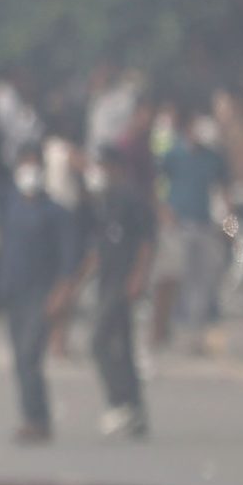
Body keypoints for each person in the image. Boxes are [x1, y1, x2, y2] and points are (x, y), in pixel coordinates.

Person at [62, 145, 156, 439]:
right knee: (123, 345)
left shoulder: (131, 198)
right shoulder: (102, 201)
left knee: (99, 341)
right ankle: (135, 411)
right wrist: (78, 281)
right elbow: (98, 247)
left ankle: (119, 402)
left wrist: (139, 276)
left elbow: (147, 241)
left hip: (123, 280)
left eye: (103, 166)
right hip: (106, 278)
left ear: (116, 167)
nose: (99, 172)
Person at [0, 147, 76, 445]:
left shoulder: (55, 212)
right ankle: (32, 416)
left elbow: (68, 259)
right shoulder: (10, 206)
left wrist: (61, 293)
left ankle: (37, 419)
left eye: (34, 165)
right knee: (20, 358)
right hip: (14, 290)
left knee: (30, 355)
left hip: (41, 291)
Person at [154, 108, 230, 348]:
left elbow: (225, 194)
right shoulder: (173, 155)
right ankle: (173, 326)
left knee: (204, 277)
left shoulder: (214, 158)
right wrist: (163, 211)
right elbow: (157, 182)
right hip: (179, 223)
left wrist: (231, 229)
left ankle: (197, 330)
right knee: (178, 276)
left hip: (205, 224)